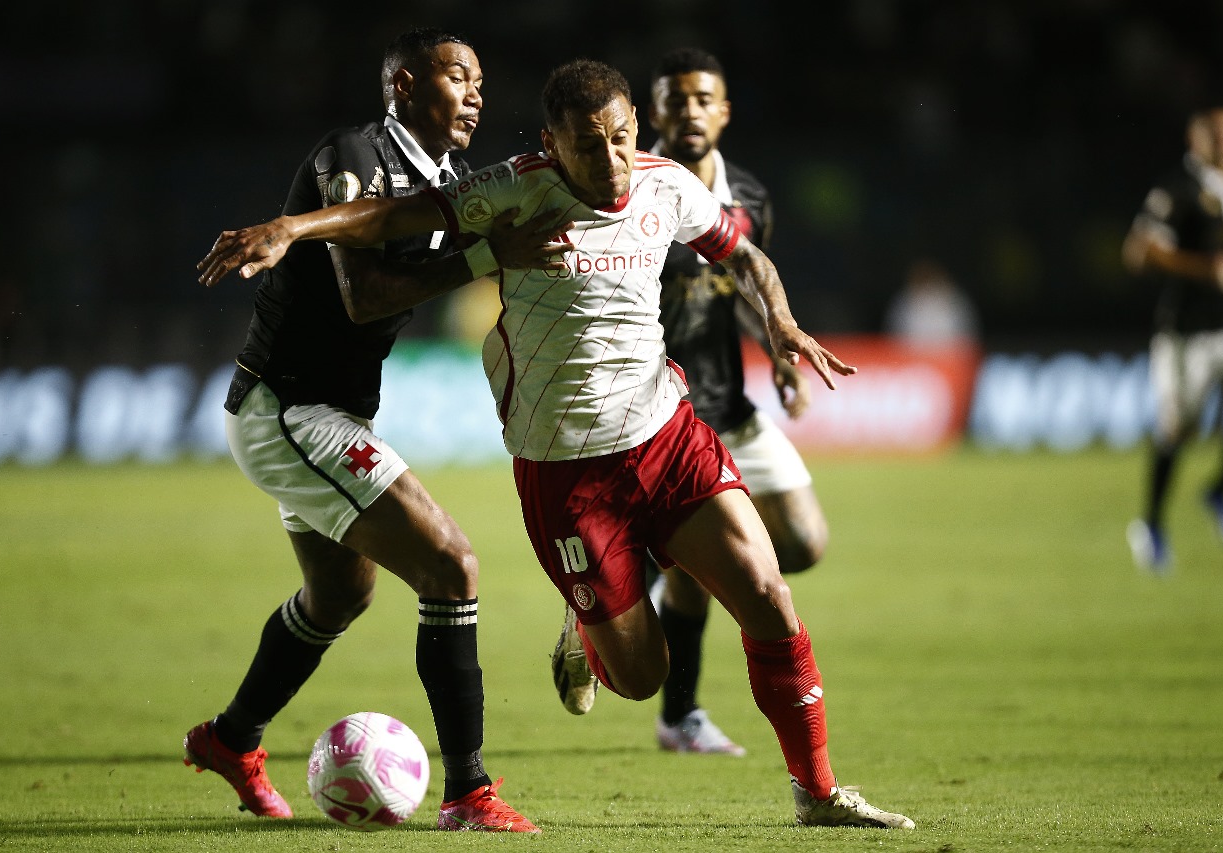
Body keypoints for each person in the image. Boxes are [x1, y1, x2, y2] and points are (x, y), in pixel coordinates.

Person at [197, 57, 915, 830]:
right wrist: (290, 227)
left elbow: (740, 250)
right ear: (552, 141)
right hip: (566, 473)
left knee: (769, 595)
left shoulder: (668, 183)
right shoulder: (510, 188)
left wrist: (776, 316)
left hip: (666, 435)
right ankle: (587, 632)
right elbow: (385, 219)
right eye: (585, 145)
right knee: (640, 676)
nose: (607, 160)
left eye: (618, 138)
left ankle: (817, 790)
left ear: (636, 126)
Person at [184, 27, 567, 832]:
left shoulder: (450, 184)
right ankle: (469, 793)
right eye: (457, 75)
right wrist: (480, 257)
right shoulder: (351, 151)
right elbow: (363, 294)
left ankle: (231, 738)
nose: (474, 93)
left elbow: (446, 232)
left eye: (481, 81)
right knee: (451, 564)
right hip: (287, 409)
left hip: (330, 411)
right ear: (402, 85)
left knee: (338, 594)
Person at [634, 47, 828, 757]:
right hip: (660, 414)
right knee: (702, 565)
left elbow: (745, 288)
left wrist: (777, 348)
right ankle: (679, 716)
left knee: (804, 540)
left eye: (702, 98)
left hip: (731, 404)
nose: (689, 111)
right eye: (674, 99)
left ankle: (683, 566)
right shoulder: (629, 188)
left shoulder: (748, 194)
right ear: (653, 112)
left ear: (723, 110)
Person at [1122, 107, 1223, 574]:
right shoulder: (1177, 189)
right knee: (1180, 432)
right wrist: (1200, 269)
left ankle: (1219, 490)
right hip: (1188, 334)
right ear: (1200, 139)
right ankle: (1150, 524)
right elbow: (1139, 252)